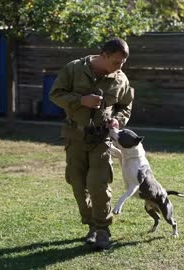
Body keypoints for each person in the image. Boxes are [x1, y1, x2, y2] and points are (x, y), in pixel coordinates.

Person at [49, 38, 134, 250]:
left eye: (123, 62)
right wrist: (81, 100)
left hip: (101, 138)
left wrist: (118, 120)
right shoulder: (74, 69)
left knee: (98, 183)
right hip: (75, 137)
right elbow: (55, 95)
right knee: (78, 184)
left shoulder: (120, 79)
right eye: (116, 61)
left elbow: (125, 106)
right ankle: (91, 226)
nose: (120, 66)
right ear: (104, 55)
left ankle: (103, 229)